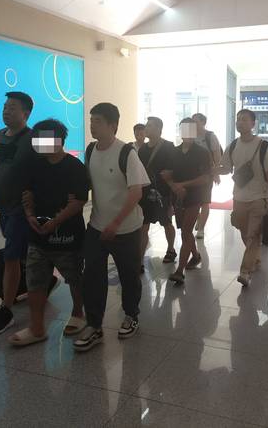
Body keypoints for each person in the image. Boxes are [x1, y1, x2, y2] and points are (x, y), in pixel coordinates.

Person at [73, 103, 150, 352]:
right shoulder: (90, 150)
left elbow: (136, 192)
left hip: (126, 229)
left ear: (112, 125)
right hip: (97, 226)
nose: (92, 125)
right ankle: (94, 325)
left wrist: (116, 223)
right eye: (91, 120)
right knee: (92, 276)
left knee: (129, 275)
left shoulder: (127, 153)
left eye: (97, 121)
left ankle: (131, 315)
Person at [8, 119, 89, 346]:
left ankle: (78, 314)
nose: (38, 144)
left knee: (75, 278)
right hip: (37, 236)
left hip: (67, 237)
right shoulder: (35, 165)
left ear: (58, 140)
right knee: (35, 281)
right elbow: (27, 194)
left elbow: (78, 201)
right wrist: (30, 216)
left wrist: (54, 222)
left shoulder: (75, 167)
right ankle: (37, 328)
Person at [0, 91, 35, 335]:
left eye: (12, 107)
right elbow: (0, 164)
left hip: (22, 208)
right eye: (5, 107)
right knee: (18, 251)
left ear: (26, 113)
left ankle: (6, 310)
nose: (6, 111)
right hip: (3, 203)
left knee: (11, 256)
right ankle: (45, 281)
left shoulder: (35, 138)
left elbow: (50, 164)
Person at [214, 109, 268, 288]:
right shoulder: (233, 145)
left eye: (244, 119)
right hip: (239, 198)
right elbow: (226, 168)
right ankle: (255, 258)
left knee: (253, 234)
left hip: (259, 197)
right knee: (244, 232)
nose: (239, 122)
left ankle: (245, 271)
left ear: (253, 123)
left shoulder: (263, 146)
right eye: (238, 119)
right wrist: (212, 170)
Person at [163, 118, 211, 284]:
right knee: (186, 231)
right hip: (178, 197)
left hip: (195, 196)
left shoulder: (202, 152)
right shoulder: (174, 152)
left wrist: (183, 185)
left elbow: (205, 178)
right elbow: (167, 174)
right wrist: (174, 186)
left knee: (185, 231)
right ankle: (196, 256)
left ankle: (179, 271)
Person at [138, 116, 177, 271]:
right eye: (146, 125)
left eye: (150, 126)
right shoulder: (142, 149)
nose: (146, 128)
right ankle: (139, 260)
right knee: (143, 226)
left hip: (163, 193)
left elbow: (174, 169)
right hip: (145, 192)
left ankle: (171, 249)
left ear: (159, 129)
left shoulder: (168, 147)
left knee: (166, 222)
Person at [191, 113, 222, 240]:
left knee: (204, 201)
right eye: (192, 121)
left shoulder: (210, 136)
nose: (193, 124)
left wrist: (216, 173)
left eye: (196, 121)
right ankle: (198, 218)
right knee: (192, 201)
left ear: (203, 122)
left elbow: (217, 156)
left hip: (207, 173)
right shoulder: (190, 135)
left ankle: (201, 229)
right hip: (191, 174)